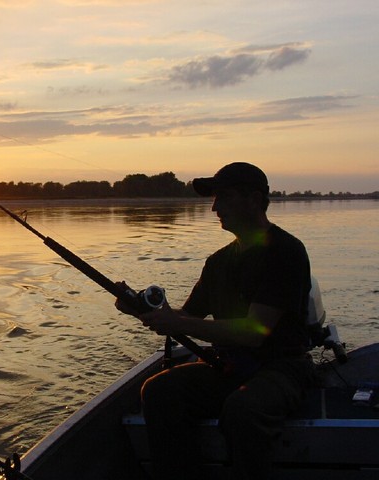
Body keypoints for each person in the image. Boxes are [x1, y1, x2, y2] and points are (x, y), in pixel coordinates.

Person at [117, 162, 316, 480]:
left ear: (253, 199)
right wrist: (143, 309)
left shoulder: (285, 252)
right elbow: (188, 316)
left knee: (243, 409)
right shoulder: (218, 261)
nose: (214, 208)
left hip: (281, 367)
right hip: (229, 366)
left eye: (223, 197)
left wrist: (177, 324)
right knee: (158, 391)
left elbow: (254, 333)